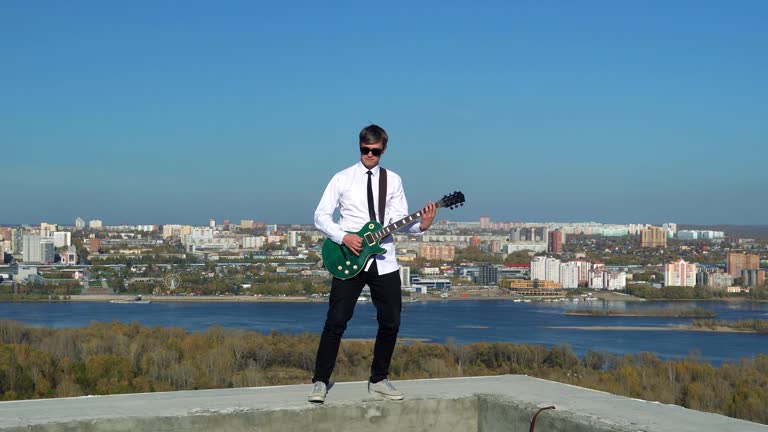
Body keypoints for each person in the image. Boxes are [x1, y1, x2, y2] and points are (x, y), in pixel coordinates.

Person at [308, 124, 437, 403]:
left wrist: (422, 226)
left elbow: (400, 221)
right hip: (349, 258)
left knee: (390, 322)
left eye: (374, 151)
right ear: (359, 147)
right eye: (365, 150)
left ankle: (379, 378)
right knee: (336, 322)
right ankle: (320, 381)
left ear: (383, 150)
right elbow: (320, 216)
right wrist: (344, 236)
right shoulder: (342, 178)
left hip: (384, 261)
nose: (369, 155)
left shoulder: (393, 180)